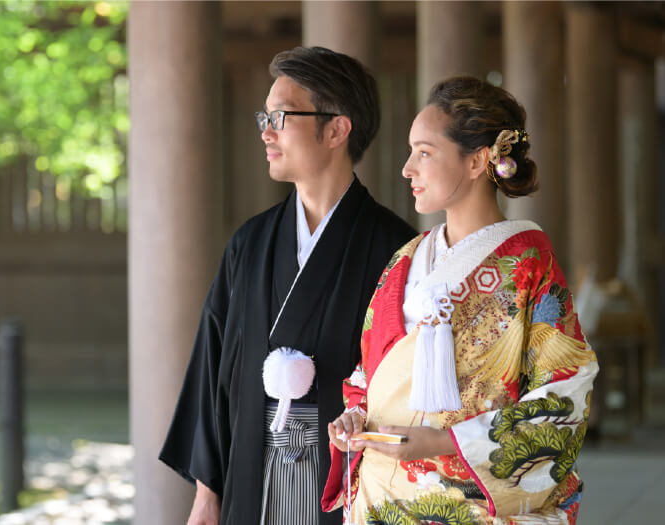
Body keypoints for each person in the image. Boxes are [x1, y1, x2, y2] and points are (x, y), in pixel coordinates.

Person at [323, 76, 598, 525]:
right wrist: (355, 416)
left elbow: (565, 389)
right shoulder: (405, 260)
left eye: (425, 153)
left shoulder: (529, 263)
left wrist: (444, 442)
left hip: (470, 504)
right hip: (382, 497)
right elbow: (369, 375)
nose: (407, 168)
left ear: (477, 161)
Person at [159, 46, 416, 525]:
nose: (266, 131)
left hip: (349, 487)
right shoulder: (250, 243)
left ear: (337, 128)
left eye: (280, 116)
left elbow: (407, 390)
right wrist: (206, 496)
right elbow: (214, 370)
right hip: (251, 478)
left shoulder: (396, 249)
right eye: (264, 115)